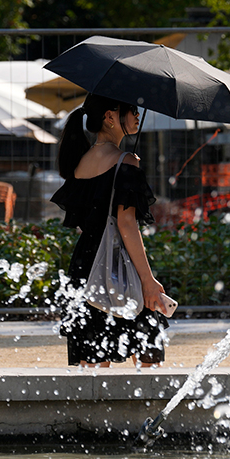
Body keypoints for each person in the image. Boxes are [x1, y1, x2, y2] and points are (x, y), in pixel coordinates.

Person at [51, 93, 169, 367]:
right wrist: (148, 280)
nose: (137, 114)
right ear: (110, 116)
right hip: (118, 262)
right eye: (131, 108)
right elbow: (126, 224)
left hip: (84, 265)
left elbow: (85, 222)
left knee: (92, 362)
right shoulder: (125, 162)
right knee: (148, 355)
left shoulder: (80, 164)